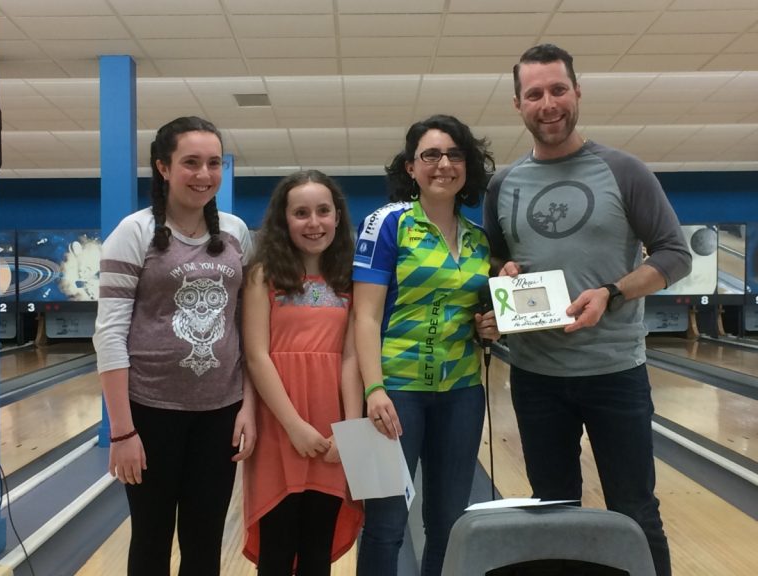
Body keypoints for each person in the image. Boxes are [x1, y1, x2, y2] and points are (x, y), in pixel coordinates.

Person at [483, 44, 692, 576]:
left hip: (615, 373)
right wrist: (501, 273)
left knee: (636, 513)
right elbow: (495, 259)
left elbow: (675, 253)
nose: (547, 103)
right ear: (517, 104)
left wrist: (612, 292)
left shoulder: (623, 170)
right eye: (534, 94)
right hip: (535, 376)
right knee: (552, 512)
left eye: (557, 90)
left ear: (577, 92)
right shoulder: (502, 184)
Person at [93, 116, 256, 576]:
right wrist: (122, 432)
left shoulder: (235, 233)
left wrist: (248, 407)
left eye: (213, 163)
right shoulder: (135, 231)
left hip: (220, 410)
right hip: (150, 411)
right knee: (150, 538)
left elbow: (249, 326)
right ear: (163, 168)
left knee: (205, 541)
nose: (204, 174)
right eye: (190, 163)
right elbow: (109, 333)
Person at [353, 114, 500, 576]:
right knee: (385, 523)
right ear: (410, 167)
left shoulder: (480, 240)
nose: (443, 164)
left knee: (447, 522)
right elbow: (365, 314)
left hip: (460, 393)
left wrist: (490, 326)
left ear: (467, 167)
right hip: (394, 392)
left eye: (455, 154)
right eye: (430, 155)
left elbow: (478, 317)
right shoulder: (386, 223)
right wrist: (373, 390)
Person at [242, 170, 364, 575]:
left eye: (323, 211)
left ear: (337, 216)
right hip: (280, 424)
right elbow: (257, 355)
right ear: (284, 220)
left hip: (332, 428)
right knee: (277, 547)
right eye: (301, 213)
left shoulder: (348, 278)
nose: (314, 223)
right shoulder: (264, 275)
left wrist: (348, 429)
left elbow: (350, 357)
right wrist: (293, 425)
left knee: (317, 547)